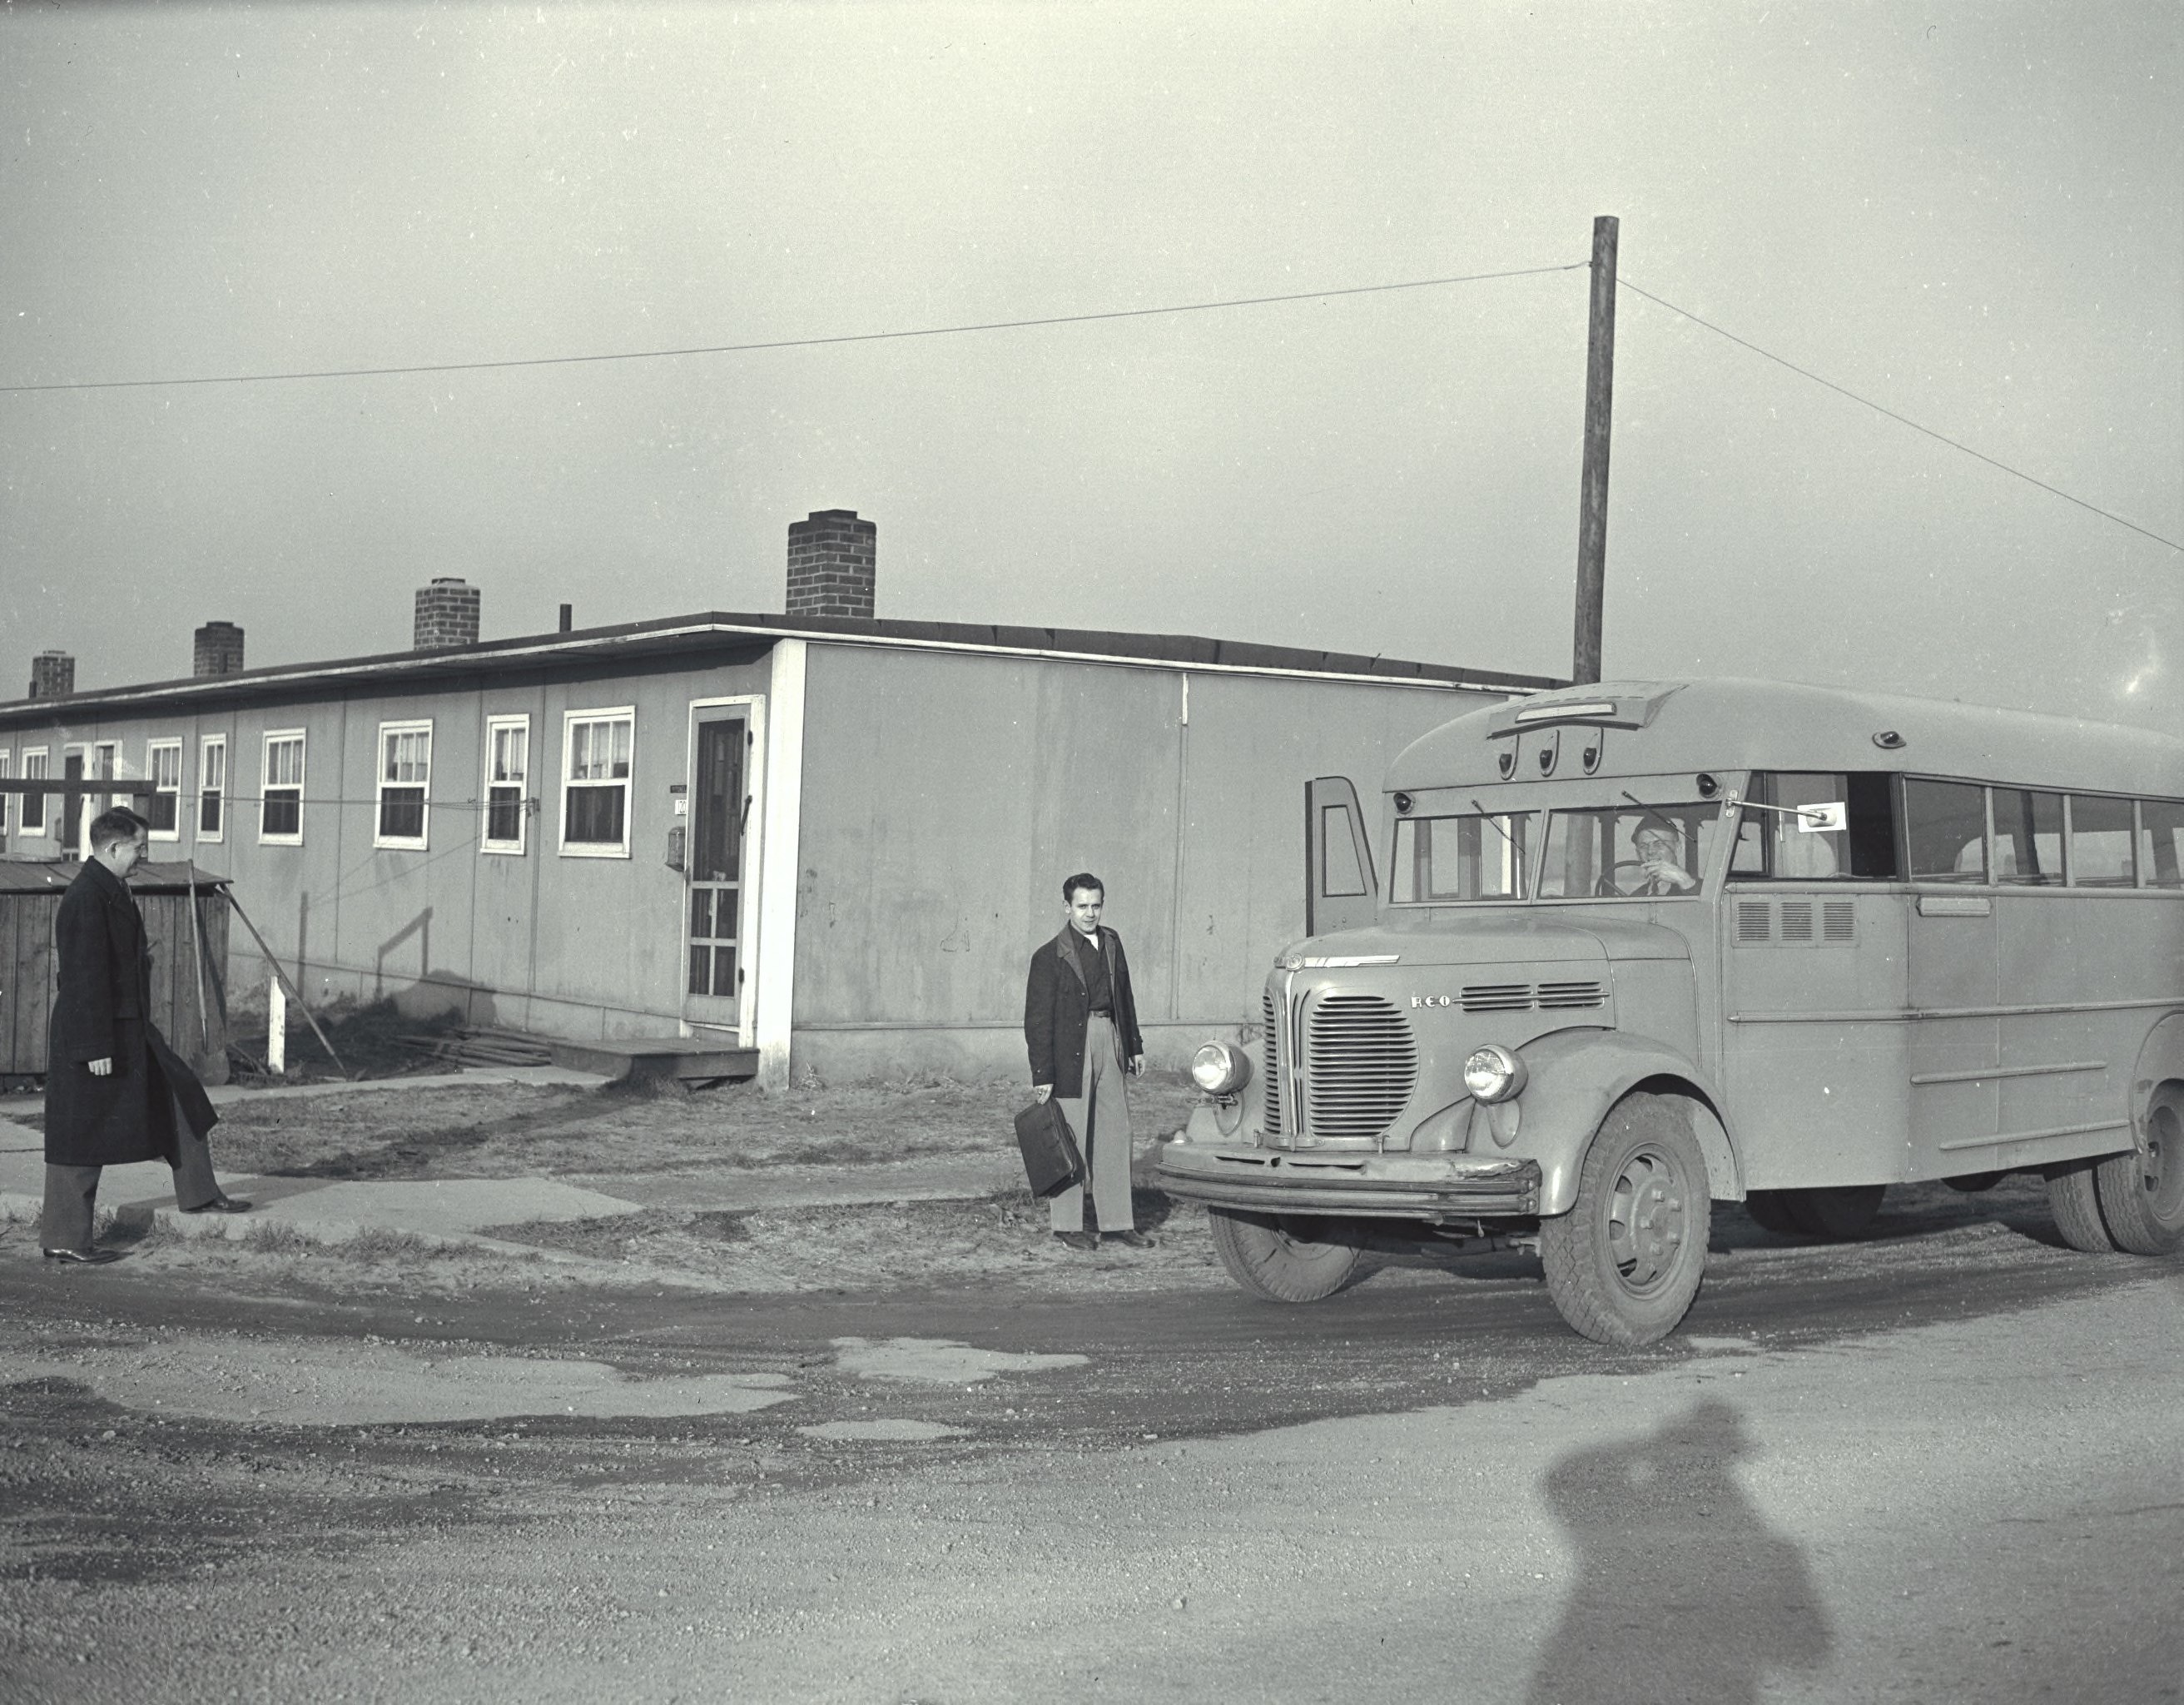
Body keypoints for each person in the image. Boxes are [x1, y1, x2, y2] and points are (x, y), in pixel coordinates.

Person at [41, 808, 248, 1264]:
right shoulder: (86, 897)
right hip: (93, 1034)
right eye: (138, 848)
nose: (143, 856)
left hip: (128, 1026)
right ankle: (64, 1238)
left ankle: (199, 1192)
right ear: (114, 848)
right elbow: (84, 977)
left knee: (180, 1093)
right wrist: (95, 1046)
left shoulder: (110, 887)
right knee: (80, 1132)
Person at [1023, 871, 1149, 1251]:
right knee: (1070, 1137)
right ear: (1067, 907)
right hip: (1070, 1052)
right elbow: (1037, 1019)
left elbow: (1123, 997)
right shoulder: (1048, 956)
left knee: (1115, 1133)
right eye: (1082, 906)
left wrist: (1134, 1044)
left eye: (1096, 905)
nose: (1090, 913)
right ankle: (1067, 1226)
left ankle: (1117, 1223)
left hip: (1109, 1038)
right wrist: (1043, 1073)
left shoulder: (1112, 943)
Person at [1629, 817, 1700, 895]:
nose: (1650, 851)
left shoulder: (1704, 890)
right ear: (1637, 853)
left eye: (1659, 844)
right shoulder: (1636, 895)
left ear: (1678, 848)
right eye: (1643, 846)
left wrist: (1686, 883)